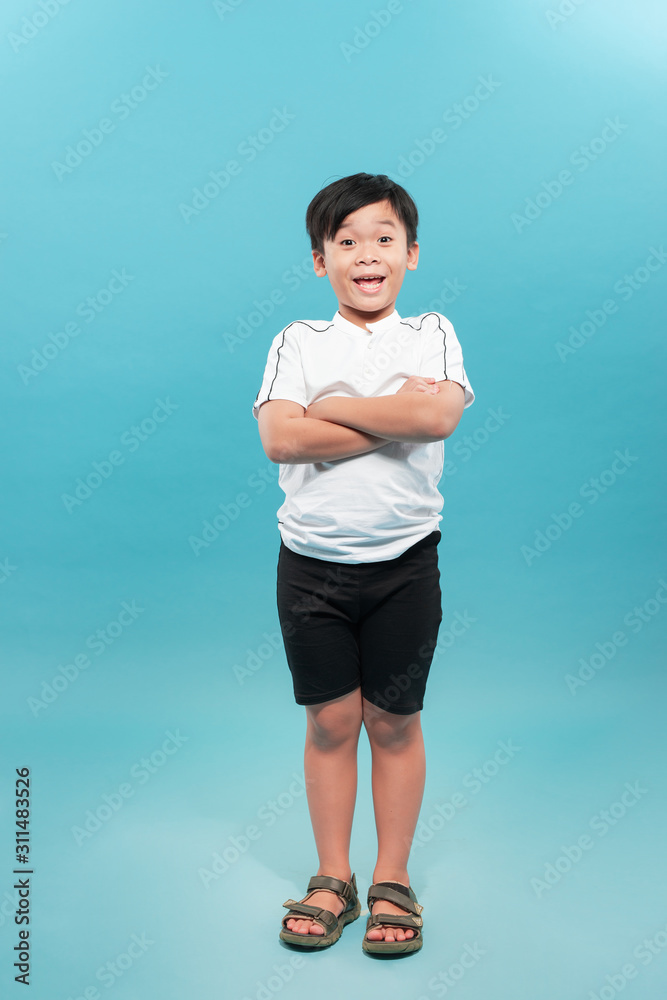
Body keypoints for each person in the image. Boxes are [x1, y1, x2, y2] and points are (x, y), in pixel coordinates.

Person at [251, 172, 475, 955]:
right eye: (345, 242)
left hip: (406, 567)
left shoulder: (433, 333)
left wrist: (333, 407)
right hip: (310, 568)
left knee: (392, 721)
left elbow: (438, 415)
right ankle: (332, 877)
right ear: (321, 262)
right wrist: (395, 415)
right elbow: (281, 439)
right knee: (330, 721)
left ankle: (391, 879)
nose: (365, 255)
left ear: (410, 253)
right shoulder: (296, 343)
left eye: (383, 238)